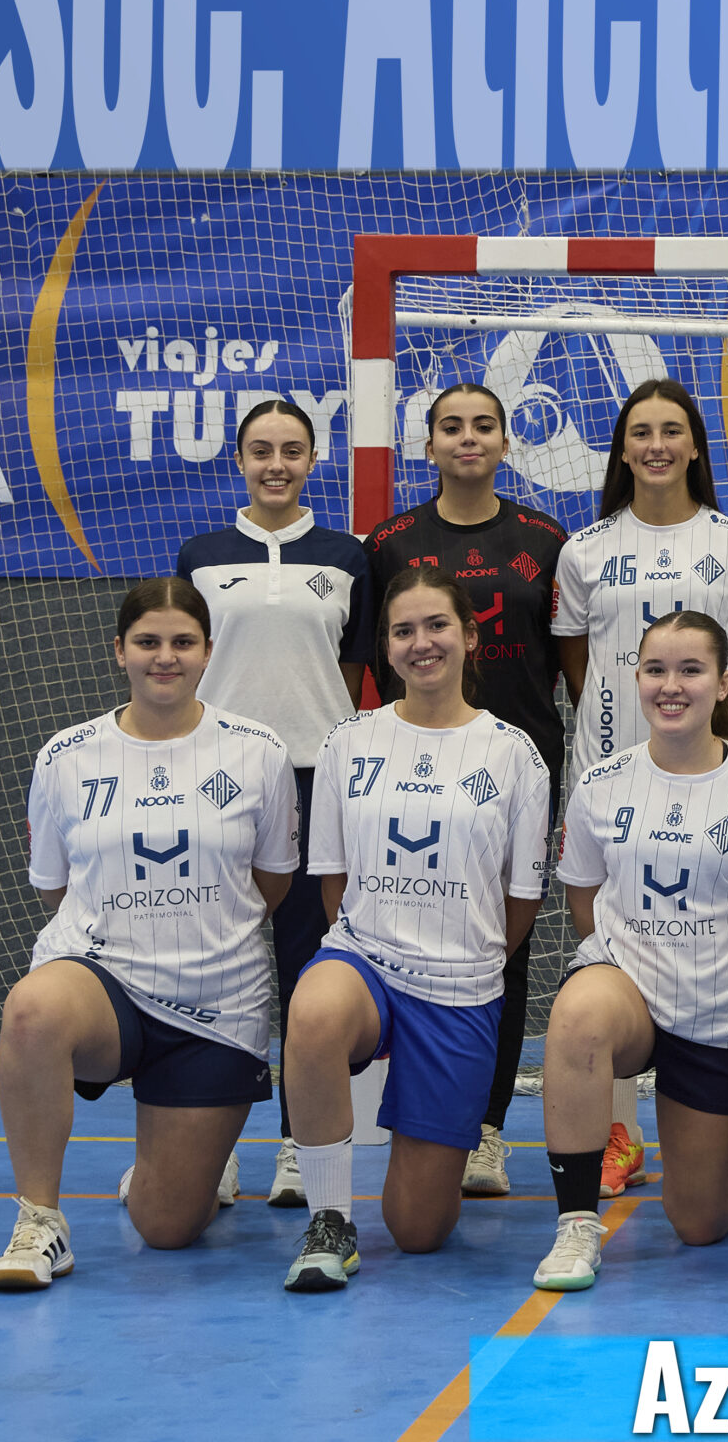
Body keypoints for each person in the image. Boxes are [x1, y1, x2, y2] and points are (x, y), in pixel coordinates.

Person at [0, 580, 301, 1290]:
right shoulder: (67, 756)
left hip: (217, 1002)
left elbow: (270, 884)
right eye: (148, 642)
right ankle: (40, 1223)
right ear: (119, 651)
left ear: (208, 652)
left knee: (166, 1228)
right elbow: (55, 888)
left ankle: (192, 1163)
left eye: (183, 642)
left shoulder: (259, 752)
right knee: (33, 1009)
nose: (166, 657)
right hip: (106, 980)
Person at [279, 567, 551, 1292]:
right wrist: (366, 954)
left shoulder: (514, 754)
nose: (421, 643)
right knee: (314, 1010)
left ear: (470, 636)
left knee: (419, 1231)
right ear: (386, 647)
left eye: (437, 626)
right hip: (365, 959)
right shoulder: (349, 742)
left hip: (460, 988)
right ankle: (329, 1219)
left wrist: (462, 960)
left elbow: (519, 901)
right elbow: (333, 881)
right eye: (403, 631)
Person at [530, 612, 728, 1291]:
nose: (671, 686)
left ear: (725, 684)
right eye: (656, 670)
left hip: (721, 1013)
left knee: (700, 1222)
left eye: (690, 670)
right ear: (636, 679)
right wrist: (620, 967)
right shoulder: (601, 784)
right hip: (628, 994)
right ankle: (576, 1225)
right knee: (579, 1011)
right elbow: (584, 896)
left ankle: (711, 1175)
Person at [553, 378, 728, 1195]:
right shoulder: (585, 549)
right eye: (640, 431)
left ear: (696, 447)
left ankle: (712, 1097)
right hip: (613, 773)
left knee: (710, 931)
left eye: (671, 430)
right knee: (608, 939)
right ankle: (619, 1131)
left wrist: (699, 734)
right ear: (621, 448)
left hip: (707, 779)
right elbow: (580, 662)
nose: (655, 445)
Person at [365, 381, 570, 1199]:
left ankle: (486, 1129)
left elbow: (570, 666)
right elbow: (370, 664)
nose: (468, 438)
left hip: (517, 768)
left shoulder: (546, 539)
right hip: (413, 772)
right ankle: (408, 1112)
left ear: (506, 442)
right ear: (429, 447)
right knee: (400, 932)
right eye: (451, 427)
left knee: (503, 943)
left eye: (484, 426)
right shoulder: (390, 542)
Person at [178, 396, 372, 1209]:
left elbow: (353, 672)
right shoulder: (201, 556)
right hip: (218, 778)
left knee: (305, 969)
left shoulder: (346, 557)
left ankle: (299, 1144)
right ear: (239, 460)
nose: (276, 465)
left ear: (313, 460)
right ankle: (208, 1146)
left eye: (291, 451)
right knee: (213, 966)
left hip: (314, 782)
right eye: (261, 450)